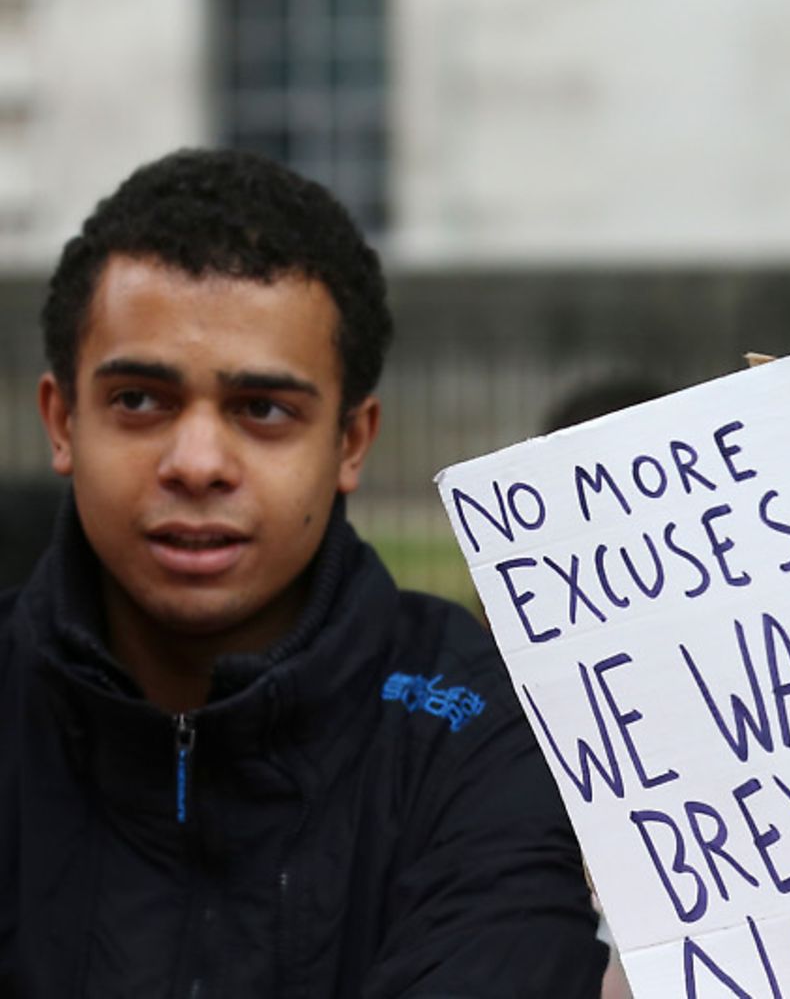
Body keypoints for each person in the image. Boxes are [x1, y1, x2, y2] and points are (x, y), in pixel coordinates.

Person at [0, 149, 605, 996]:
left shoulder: (477, 731)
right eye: (140, 400)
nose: (199, 462)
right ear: (62, 421)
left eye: (263, 410)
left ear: (351, 442)